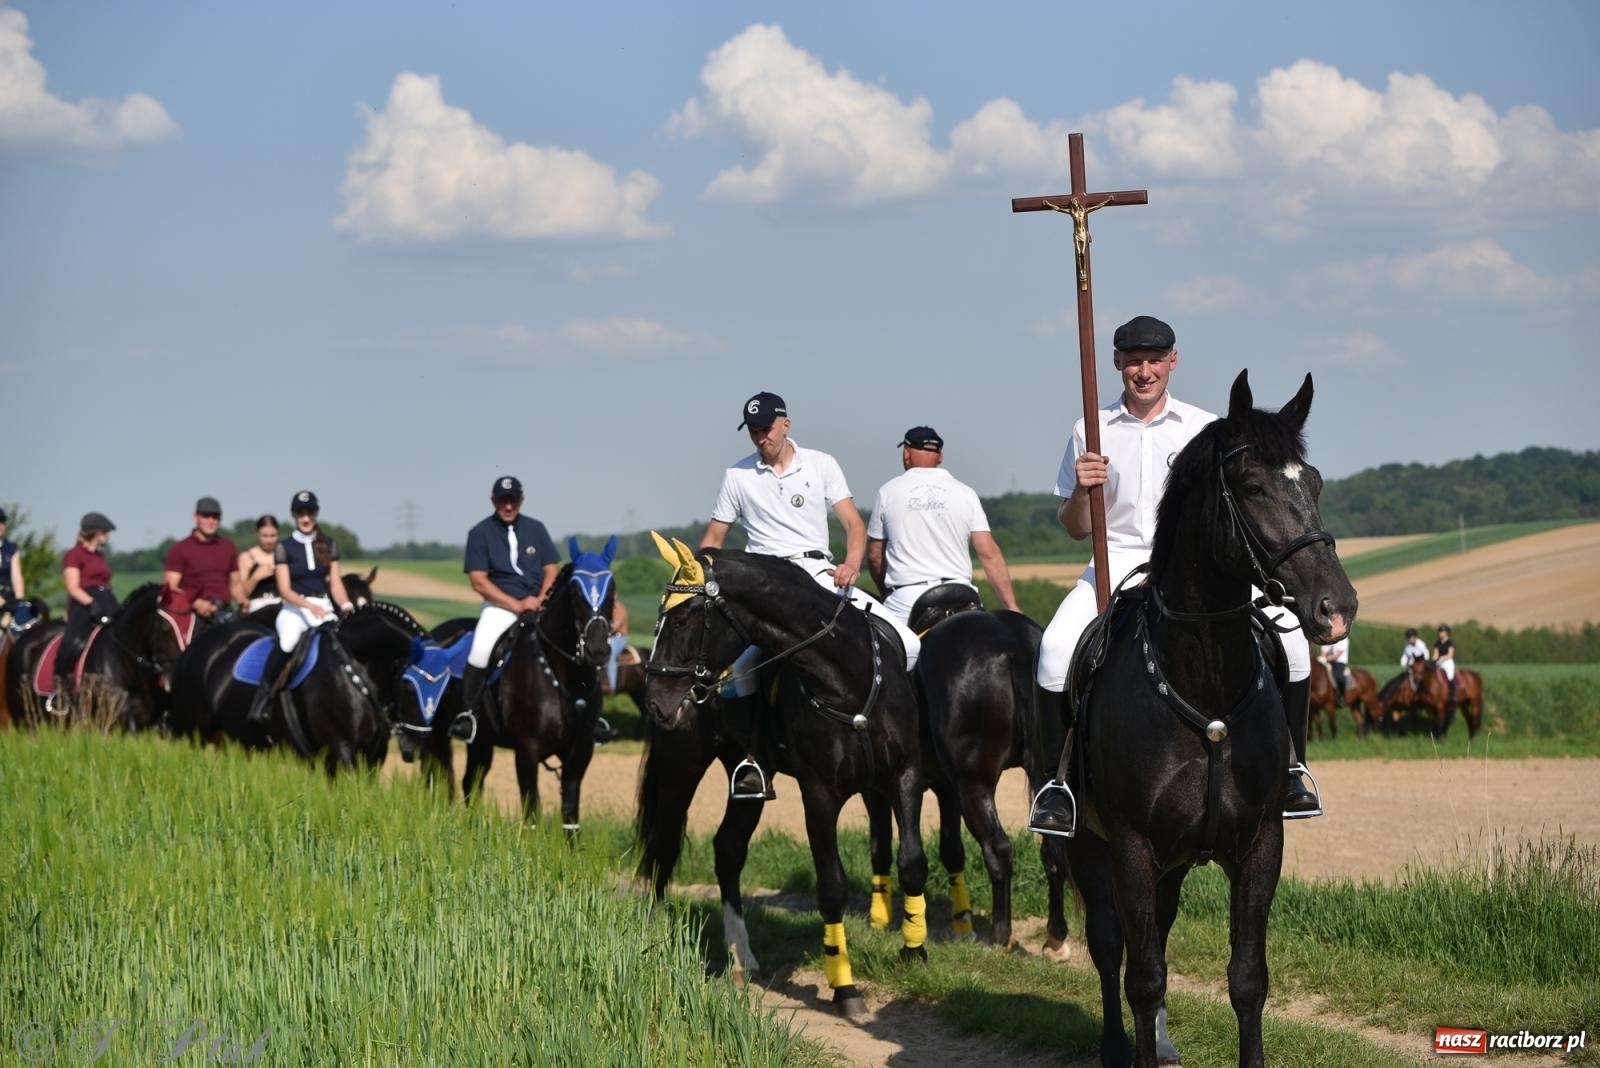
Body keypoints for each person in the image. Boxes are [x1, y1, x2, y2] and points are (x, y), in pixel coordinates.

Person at [1028, 315, 1320, 836]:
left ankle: (1295, 769)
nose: (1144, 371)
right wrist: (1082, 492)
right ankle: (1058, 787)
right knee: (1052, 653)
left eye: (1155, 360)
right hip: (1116, 559)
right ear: (1117, 362)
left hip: (1191, 567)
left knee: (1295, 645)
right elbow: (1075, 528)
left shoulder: (1202, 428)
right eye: (1133, 361)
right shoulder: (1089, 429)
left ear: (1173, 362)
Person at [701, 391, 922, 800]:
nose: (761, 437)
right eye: (753, 431)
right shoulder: (737, 475)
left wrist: (851, 563)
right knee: (736, 676)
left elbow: (854, 524)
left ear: (785, 424)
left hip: (820, 574)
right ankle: (753, 760)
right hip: (764, 584)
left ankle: (908, 740)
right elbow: (714, 538)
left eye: (766, 429)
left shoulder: (821, 464)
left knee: (908, 644)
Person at [866, 425, 1020, 626]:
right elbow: (988, 553)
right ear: (940, 457)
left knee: (881, 644)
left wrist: (886, 593)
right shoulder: (966, 492)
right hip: (962, 593)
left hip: (908, 598)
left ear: (906, 454)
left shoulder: (887, 492)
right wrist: (1011, 606)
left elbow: (875, 556)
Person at [446, 477, 561, 743]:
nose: (508, 506)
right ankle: (469, 715)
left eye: (513, 500)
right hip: (501, 607)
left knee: (572, 642)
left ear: (521, 499)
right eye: (502, 500)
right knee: (480, 650)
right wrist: (516, 604)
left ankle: (588, 715)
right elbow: (478, 580)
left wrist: (541, 600)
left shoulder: (536, 528)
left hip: (540, 604)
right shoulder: (479, 533)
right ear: (493, 500)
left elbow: (551, 569)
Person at [246, 492, 355, 724]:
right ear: (294, 515)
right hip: (294, 608)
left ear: (316, 513)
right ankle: (263, 697)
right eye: (300, 513)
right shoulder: (284, 547)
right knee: (287, 642)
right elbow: (284, 589)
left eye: (310, 512)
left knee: (341, 645)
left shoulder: (330, 545)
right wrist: (308, 606)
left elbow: (336, 584)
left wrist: (346, 604)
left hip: (323, 606)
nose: (305, 518)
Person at [56, 512, 120, 701]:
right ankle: (60, 686)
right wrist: (92, 605)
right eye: (105, 532)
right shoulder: (73, 555)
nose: (108, 536)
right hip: (84, 605)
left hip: (106, 600)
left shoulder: (99, 556)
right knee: (72, 642)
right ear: (96, 532)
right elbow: (73, 587)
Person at [163, 496, 243, 625]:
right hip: (193, 614)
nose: (210, 521)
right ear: (196, 517)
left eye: (215, 517)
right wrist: (196, 603)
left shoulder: (228, 546)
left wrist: (242, 600)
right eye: (206, 516)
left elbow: (236, 584)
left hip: (224, 611)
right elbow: (171, 588)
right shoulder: (180, 549)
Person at [239, 515, 282, 612]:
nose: (269, 541)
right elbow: (241, 594)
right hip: (255, 606)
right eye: (265, 536)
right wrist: (256, 577)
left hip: (280, 604)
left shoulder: (285, 556)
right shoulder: (247, 557)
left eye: (273, 536)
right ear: (257, 534)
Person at [0, 507, 31, 629]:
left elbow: (17, 577)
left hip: (8, 598)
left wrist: (20, 602)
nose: (0, 526)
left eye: (2, 522)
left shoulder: (11, 548)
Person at [1319, 635, 1351, 705]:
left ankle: (1341, 696)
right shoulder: (1328, 638)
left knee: (1339, 676)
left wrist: (1325, 659)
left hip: (1339, 662)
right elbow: (1323, 651)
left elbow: (1337, 655)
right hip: (1327, 662)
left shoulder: (1343, 639)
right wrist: (1322, 658)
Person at [1433, 623, 1457, 698]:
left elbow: (1450, 655)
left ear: (1446, 632)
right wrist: (1433, 660)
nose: (1440, 633)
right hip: (1439, 662)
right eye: (1439, 631)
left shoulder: (1450, 642)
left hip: (1447, 662)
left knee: (1450, 676)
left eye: (1441, 631)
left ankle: (1453, 693)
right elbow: (1435, 655)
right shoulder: (1437, 643)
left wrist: (1442, 658)